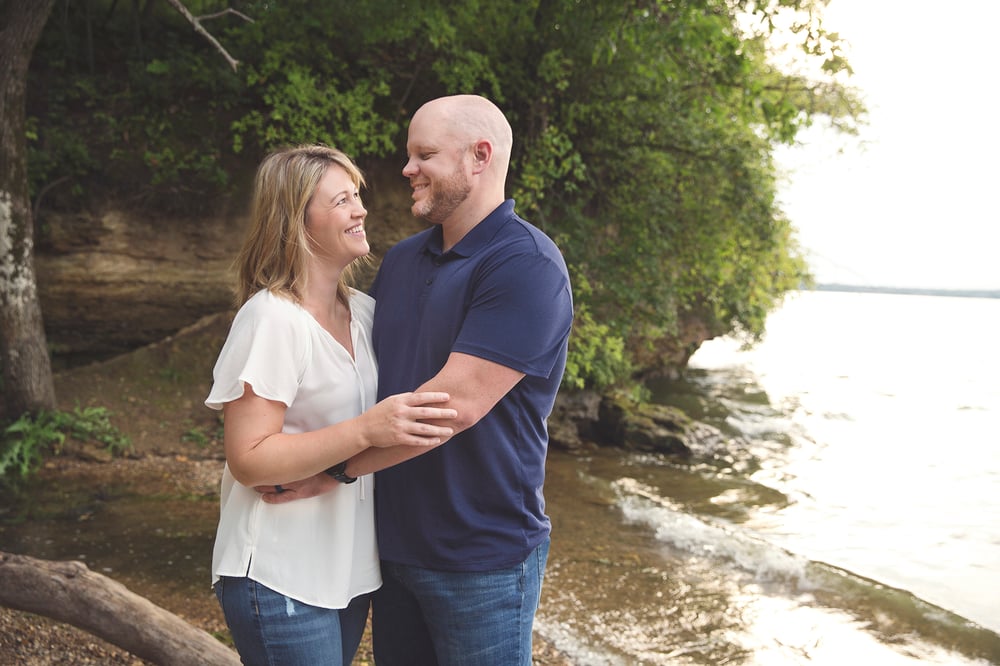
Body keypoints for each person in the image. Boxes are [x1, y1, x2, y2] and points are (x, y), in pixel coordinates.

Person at [205, 144, 457, 666]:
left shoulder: (364, 313)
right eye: (342, 200)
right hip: (279, 574)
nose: (361, 209)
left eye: (356, 196)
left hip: (345, 574)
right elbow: (248, 458)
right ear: (297, 221)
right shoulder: (271, 319)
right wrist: (366, 430)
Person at [349, 94, 574, 665]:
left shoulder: (526, 264)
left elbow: (449, 408)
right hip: (388, 546)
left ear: (479, 156)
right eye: (409, 154)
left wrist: (324, 469)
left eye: (424, 153)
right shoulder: (401, 261)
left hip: (482, 558)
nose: (406, 169)